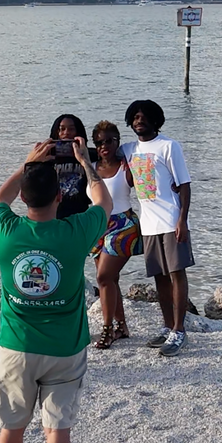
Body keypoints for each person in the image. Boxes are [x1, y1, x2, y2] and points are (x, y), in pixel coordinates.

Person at [0, 137, 110, 443]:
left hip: (16, 347)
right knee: (57, 430)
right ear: (60, 196)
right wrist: (86, 163)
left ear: (24, 198)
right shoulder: (75, 232)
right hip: (65, 349)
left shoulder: (5, 231)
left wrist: (27, 162)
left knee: (11, 427)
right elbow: (102, 202)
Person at [122, 99, 194, 357]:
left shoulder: (168, 146)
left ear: (155, 120)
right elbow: (102, 152)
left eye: (144, 116)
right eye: (135, 117)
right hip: (148, 225)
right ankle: (166, 326)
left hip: (171, 220)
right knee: (159, 278)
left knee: (177, 274)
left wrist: (182, 220)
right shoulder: (129, 149)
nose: (139, 120)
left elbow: (184, 184)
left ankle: (179, 330)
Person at [87, 119, 141, 349]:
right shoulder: (90, 166)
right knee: (111, 279)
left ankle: (107, 329)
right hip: (98, 225)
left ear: (118, 141)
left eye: (109, 141)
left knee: (103, 278)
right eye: (99, 142)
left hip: (123, 225)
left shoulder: (126, 166)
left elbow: (150, 185)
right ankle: (122, 327)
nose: (104, 146)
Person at [49, 114, 91, 219]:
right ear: (56, 132)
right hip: (54, 214)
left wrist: (84, 155)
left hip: (81, 213)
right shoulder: (48, 157)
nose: (66, 133)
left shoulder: (89, 154)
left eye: (71, 129)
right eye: (62, 129)